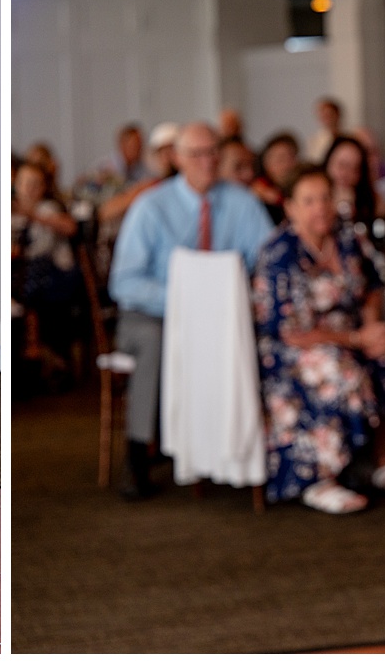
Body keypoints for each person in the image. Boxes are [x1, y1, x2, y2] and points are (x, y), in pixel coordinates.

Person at [109, 122, 275, 500]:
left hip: (224, 316)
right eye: (197, 154)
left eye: (214, 152)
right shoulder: (151, 206)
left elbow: (267, 260)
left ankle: (244, 448)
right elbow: (124, 282)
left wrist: (232, 297)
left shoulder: (242, 202)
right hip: (155, 314)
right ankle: (137, 453)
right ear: (177, 158)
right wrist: (187, 299)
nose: (207, 161)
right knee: (157, 341)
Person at [252, 167, 385, 512]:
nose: (320, 208)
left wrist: (371, 330)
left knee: (384, 352)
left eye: (325, 197)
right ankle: (320, 477)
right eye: (308, 201)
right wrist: (356, 337)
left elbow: (373, 285)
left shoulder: (349, 238)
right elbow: (290, 328)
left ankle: (382, 463)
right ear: (289, 207)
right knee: (332, 367)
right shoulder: (279, 253)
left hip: (350, 334)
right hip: (297, 345)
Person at [12, 152, 84, 391]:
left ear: (44, 187)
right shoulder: (9, 212)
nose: (30, 189)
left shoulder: (48, 208)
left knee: (26, 282)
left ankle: (34, 346)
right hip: (22, 274)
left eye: (36, 184)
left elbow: (67, 230)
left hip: (54, 275)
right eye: (25, 183)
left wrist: (33, 215)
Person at [322, 135, 385, 239]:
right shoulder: (315, 203)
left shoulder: (369, 202)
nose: (347, 175)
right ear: (328, 164)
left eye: (355, 169)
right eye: (342, 165)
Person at [251, 131, 301, 224]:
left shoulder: (303, 185)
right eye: (281, 159)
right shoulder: (259, 194)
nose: (288, 164)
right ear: (268, 165)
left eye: (291, 157)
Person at [305, 96, 344, 163]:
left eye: (330, 115)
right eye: (324, 116)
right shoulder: (314, 141)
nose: (327, 119)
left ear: (337, 115)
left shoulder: (348, 137)